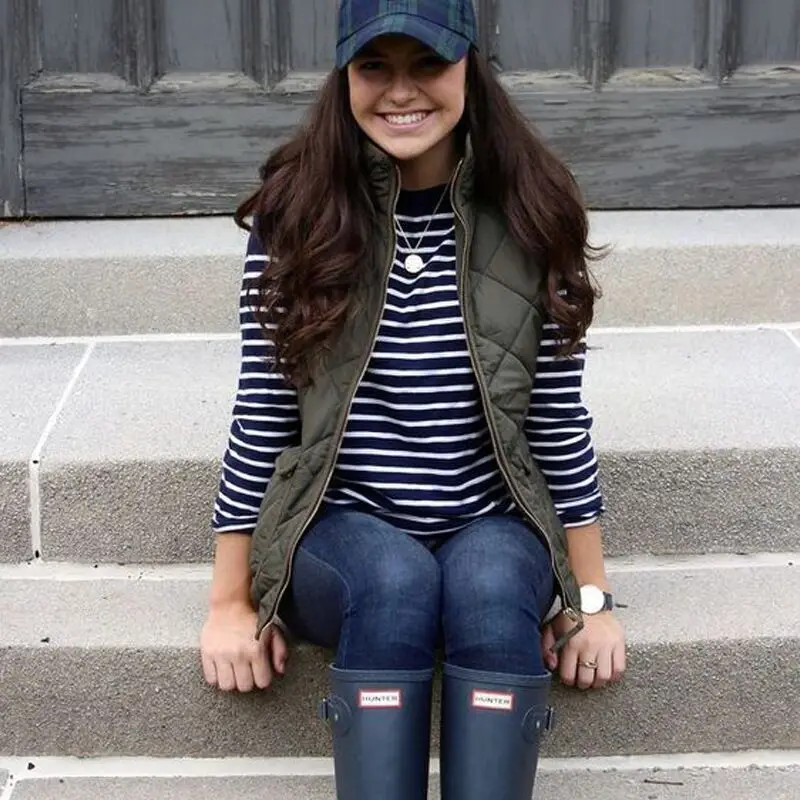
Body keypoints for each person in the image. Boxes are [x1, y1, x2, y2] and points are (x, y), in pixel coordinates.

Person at [199, 1, 626, 797]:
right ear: (344, 76)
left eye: (427, 63)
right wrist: (230, 602)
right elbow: (262, 411)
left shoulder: (533, 209)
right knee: (394, 582)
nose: (401, 91)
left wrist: (592, 601)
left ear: (470, 68)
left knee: (490, 587)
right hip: (338, 527)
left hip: (491, 520)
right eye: (375, 67)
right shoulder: (297, 217)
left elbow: (558, 420)